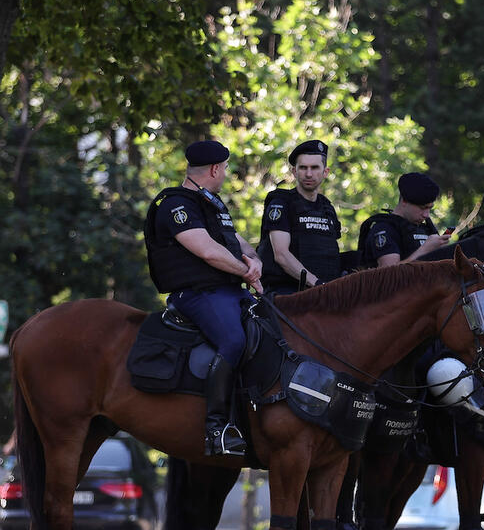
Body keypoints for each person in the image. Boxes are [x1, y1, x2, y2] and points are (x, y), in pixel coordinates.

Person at [143, 140, 262, 457]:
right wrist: (247, 273)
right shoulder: (175, 205)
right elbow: (209, 252)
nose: (224, 174)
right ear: (215, 169)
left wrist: (255, 260)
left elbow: (239, 244)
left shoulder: (213, 205)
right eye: (224, 169)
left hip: (229, 291)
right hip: (197, 294)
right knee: (234, 342)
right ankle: (216, 428)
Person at [257, 140, 342, 294]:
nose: (308, 174)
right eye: (303, 168)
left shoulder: (327, 208)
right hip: (288, 293)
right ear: (294, 172)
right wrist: (318, 284)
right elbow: (281, 255)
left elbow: (329, 255)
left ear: (326, 172)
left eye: (315, 167)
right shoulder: (281, 203)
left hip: (324, 291)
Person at [357, 172, 451, 268]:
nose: (426, 215)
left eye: (429, 208)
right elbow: (389, 274)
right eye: (422, 208)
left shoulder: (425, 228)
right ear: (404, 201)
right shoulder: (384, 230)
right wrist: (424, 250)